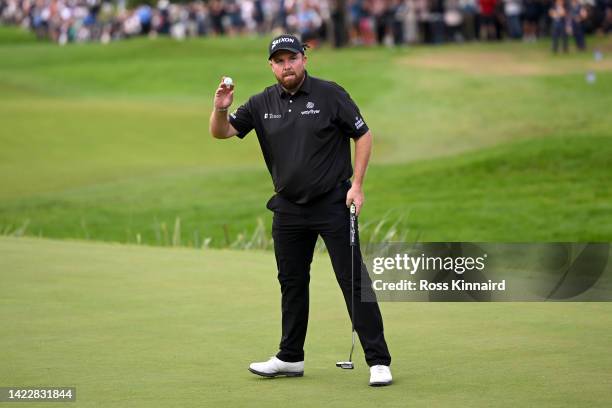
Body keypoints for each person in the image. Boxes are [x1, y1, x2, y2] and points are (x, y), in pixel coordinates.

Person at [209, 34, 393, 387]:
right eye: (279, 61)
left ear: (304, 59)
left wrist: (357, 185)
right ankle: (290, 357)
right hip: (289, 209)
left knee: (352, 279)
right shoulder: (262, 102)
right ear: (271, 66)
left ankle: (379, 360)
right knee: (292, 283)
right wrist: (220, 106)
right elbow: (223, 132)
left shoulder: (330, 94)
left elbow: (363, 135)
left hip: (333, 203)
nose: (286, 65)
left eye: (291, 58)